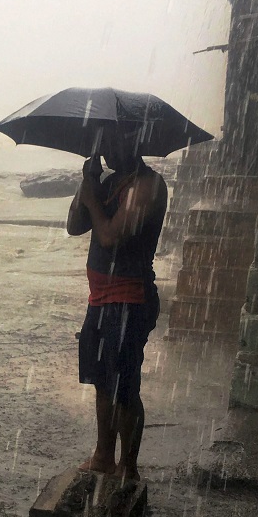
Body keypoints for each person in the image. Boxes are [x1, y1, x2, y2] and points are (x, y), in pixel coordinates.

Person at [66, 147, 168, 482]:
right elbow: (74, 225)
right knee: (102, 381)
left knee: (124, 386)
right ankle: (103, 456)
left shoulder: (147, 186)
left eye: (114, 141)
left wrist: (95, 202)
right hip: (100, 298)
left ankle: (129, 466)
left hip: (129, 299)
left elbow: (110, 237)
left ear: (136, 142)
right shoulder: (110, 182)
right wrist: (88, 183)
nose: (107, 149)